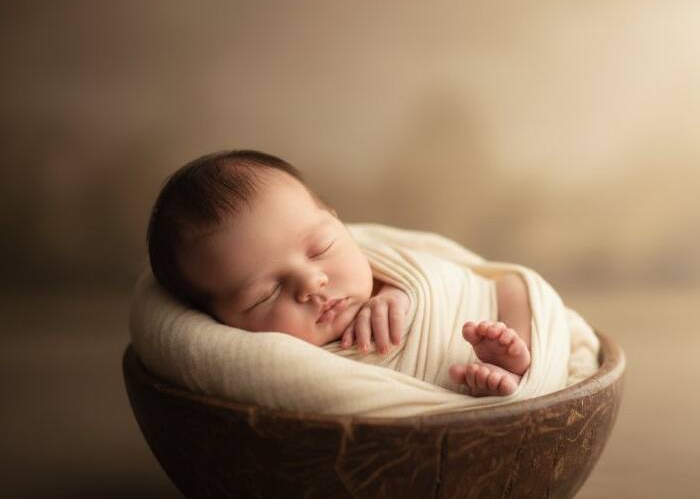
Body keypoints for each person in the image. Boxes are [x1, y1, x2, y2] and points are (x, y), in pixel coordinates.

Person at [147, 150, 532, 396]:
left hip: (471, 324)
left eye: (322, 248)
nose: (312, 284)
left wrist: (400, 294)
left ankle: (515, 362)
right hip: (430, 416)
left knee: (516, 288)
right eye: (264, 295)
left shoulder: (386, 269)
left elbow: (445, 278)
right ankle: (493, 383)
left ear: (337, 222)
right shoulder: (275, 371)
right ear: (219, 322)